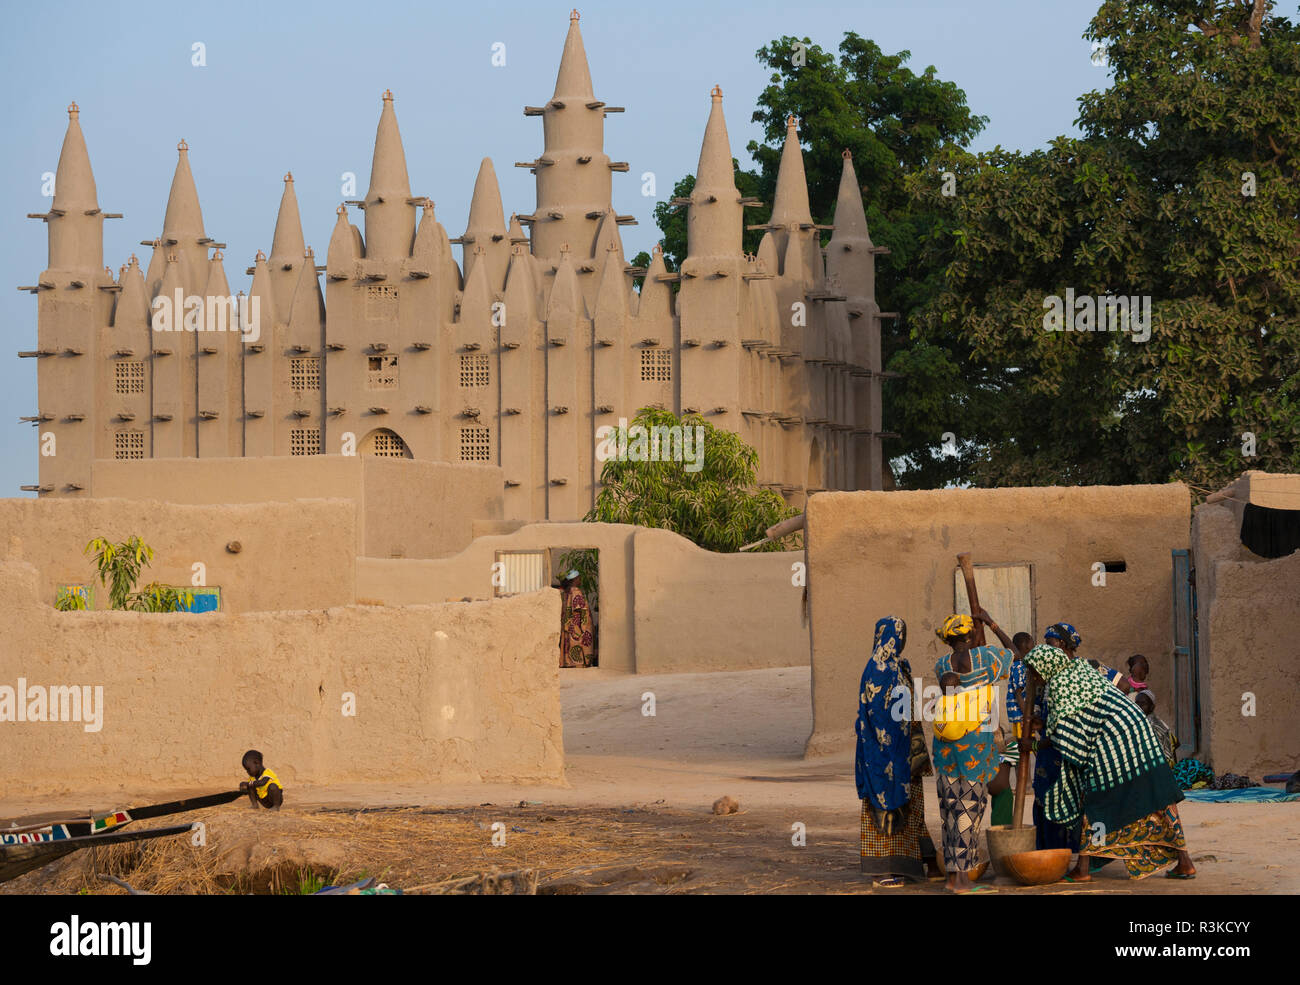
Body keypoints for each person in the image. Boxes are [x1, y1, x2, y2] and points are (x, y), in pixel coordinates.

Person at [1022, 645, 1196, 881]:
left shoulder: (1059, 685)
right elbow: (1084, 714)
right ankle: (1185, 862)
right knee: (1159, 795)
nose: (1034, 677)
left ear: (1046, 666)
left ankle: (1082, 869)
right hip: (1137, 730)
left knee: (1093, 799)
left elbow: (1065, 736)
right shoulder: (1079, 669)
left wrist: (1032, 746)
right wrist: (1044, 725)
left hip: (1111, 740)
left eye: (1035, 672)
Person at [931, 609, 1014, 893]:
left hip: (946, 751)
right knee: (969, 811)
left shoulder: (942, 665)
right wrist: (992, 623)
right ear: (970, 634)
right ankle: (964, 882)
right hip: (974, 751)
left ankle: (953, 877)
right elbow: (1017, 653)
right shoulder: (987, 658)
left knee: (950, 813)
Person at [855, 616, 940, 887]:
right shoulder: (878, 669)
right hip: (884, 755)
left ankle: (926, 860)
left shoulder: (899, 666)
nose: (901, 641)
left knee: (914, 808)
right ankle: (883, 869)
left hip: (907, 754)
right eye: (899, 635)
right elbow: (878, 716)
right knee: (886, 807)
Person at [558, 570, 594, 668]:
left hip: (568, 625)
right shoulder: (576, 592)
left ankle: (568, 662)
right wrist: (583, 627)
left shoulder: (566, 592)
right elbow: (579, 610)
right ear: (576, 579)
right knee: (577, 644)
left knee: (569, 644)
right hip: (576, 625)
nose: (580, 580)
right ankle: (579, 663)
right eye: (579, 578)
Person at [1135, 691, 1178, 768]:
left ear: (1152, 707)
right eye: (1137, 703)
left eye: (1143, 703)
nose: (1139, 706)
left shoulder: (1153, 725)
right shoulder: (1144, 722)